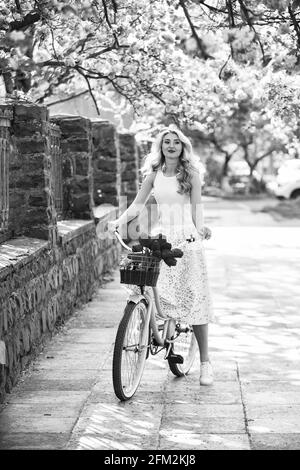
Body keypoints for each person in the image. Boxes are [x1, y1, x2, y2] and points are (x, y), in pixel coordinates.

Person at [108, 124, 214, 386]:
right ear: (161, 146)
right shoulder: (154, 175)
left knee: (195, 300)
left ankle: (205, 362)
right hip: (163, 239)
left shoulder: (191, 174)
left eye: (176, 142)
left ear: (182, 147)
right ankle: (158, 333)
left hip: (187, 240)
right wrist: (118, 221)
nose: (171, 146)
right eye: (166, 142)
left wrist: (201, 230)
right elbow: (136, 205)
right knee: (160, 291)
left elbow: (196, 210)